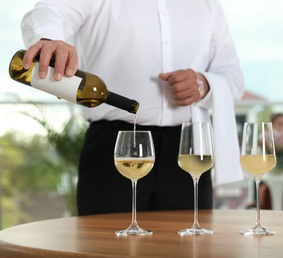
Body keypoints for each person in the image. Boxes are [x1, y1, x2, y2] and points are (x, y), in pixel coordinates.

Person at [20, 0, 245, 215]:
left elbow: (233, 78)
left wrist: (204, 85)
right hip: (113, 149)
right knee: (106, 249)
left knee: (191, 250)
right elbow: (49, 11)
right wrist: (50, 39)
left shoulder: (207, 4)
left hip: (188, 152)